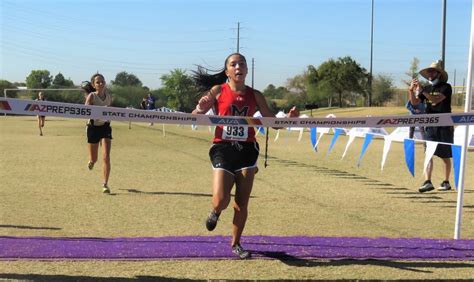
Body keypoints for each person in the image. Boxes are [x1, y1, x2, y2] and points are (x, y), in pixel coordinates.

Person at [192, 53, 298, 259]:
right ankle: (215, 212)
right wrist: (200, 107)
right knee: (221, 200)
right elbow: (195, 117)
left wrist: (289, 120)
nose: (238, 66)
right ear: (227, 72)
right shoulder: (217, 90)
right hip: (223, 148)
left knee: (242, 202)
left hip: (248, 150)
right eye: (233, 64)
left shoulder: (256, 95)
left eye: (242, 64)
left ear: (247, 70)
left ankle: (236, 243)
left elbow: (272, 122)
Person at [409, 60, 453, 193]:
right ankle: (428, 181)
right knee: (429, 154)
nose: (429, 73)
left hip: (444, 126)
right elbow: (415, 103)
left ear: (438, 73)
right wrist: (411, 90)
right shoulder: (426, 88)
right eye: (428, 71)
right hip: (430, 126)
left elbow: (436, 100)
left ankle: (446, 182)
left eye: (432, 71)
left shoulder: (446, 87)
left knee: (445, 156)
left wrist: (423, 91)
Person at [85, 73, 113, 194]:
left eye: (102, 81)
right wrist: (96, 112)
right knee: (94, 158)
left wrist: (107, 114)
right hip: (93, 128)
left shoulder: (109, 97)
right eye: (98, 82)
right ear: (93, 85)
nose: (100, 84)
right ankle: (91, 162)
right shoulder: (91, 96)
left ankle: (105, 184)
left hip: (105, 127)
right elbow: (85, 111)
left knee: (106, 156)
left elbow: (112, 112)